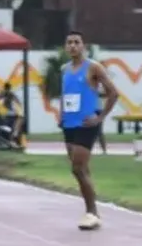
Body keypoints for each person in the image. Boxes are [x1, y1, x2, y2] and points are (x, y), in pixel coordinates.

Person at [60, 30, 118, 231]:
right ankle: (92, 211)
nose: (73, 46)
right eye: (69, 42)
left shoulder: (93, 67)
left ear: (83, 46)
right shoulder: (65, 69)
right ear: (65, 47)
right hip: (69, 124)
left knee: (77, 168)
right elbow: (66, 95)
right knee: (81, 170)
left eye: (77, 42)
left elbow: (113, 93)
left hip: (87, 123)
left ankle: (92, 212)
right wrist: (61, 115)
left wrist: (100, 117)